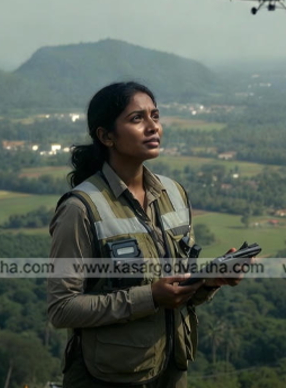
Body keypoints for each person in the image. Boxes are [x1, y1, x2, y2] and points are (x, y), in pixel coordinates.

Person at [48, 82, 238, 387]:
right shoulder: (81, 209)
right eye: (137, 119)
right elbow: (62, 309)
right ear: (106, 136)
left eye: (155, 116)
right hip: (106, 378)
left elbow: (175, 290)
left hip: (171, 373)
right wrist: (149, 297)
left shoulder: (173, 193)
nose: (153, 127)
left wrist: (207, 281)